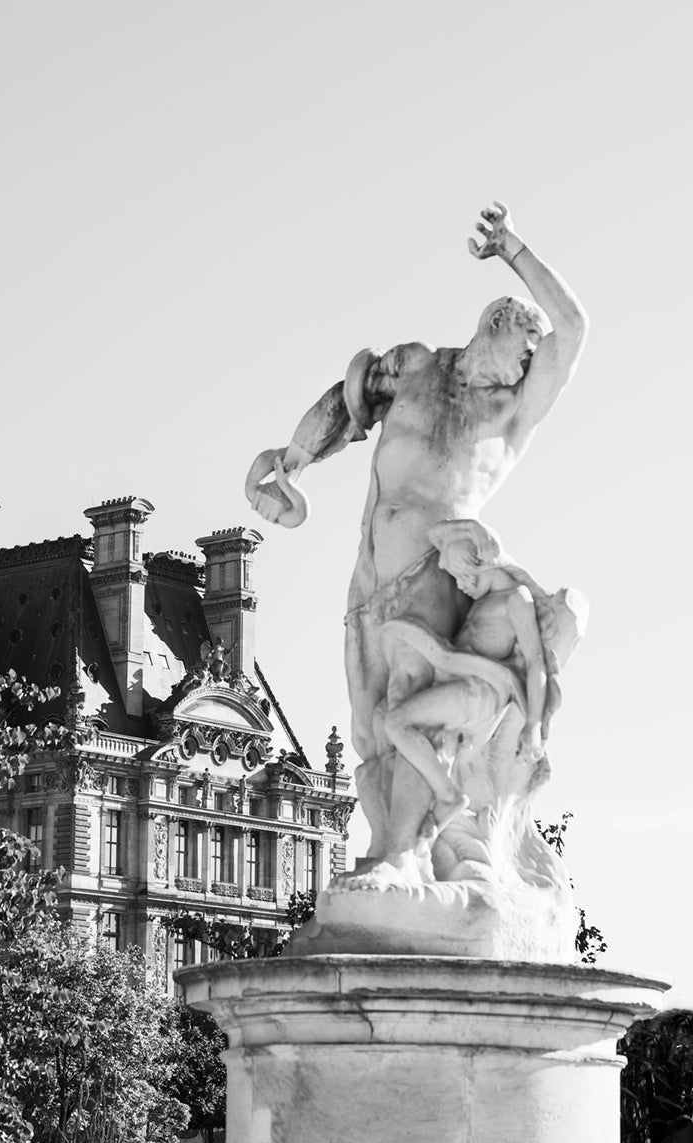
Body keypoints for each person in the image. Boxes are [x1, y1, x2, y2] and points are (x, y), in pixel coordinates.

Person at [246, 203, 588, 885]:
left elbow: (574, 328)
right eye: (525, 348)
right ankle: (396, 850)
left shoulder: (513, 413)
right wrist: (294, 458)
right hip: (368, 574)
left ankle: (401, 853)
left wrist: (514, 249)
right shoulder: (415, 367)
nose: (530, 365)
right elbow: (348, 403)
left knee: (409, 713)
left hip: (435, 574)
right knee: (370, 725)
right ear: (497, 327)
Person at [380, 522, 549, 840]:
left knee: (396, 722)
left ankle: (448, 795)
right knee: (392, 722)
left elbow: (536, 661)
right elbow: (437, 531)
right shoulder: (483, 601)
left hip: (479, 693)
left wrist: (534, 726)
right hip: (463, 688)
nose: (459, 587)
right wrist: (473, 530)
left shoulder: (516, 599)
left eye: (460, 577)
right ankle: (441, 796)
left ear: (478, 566)